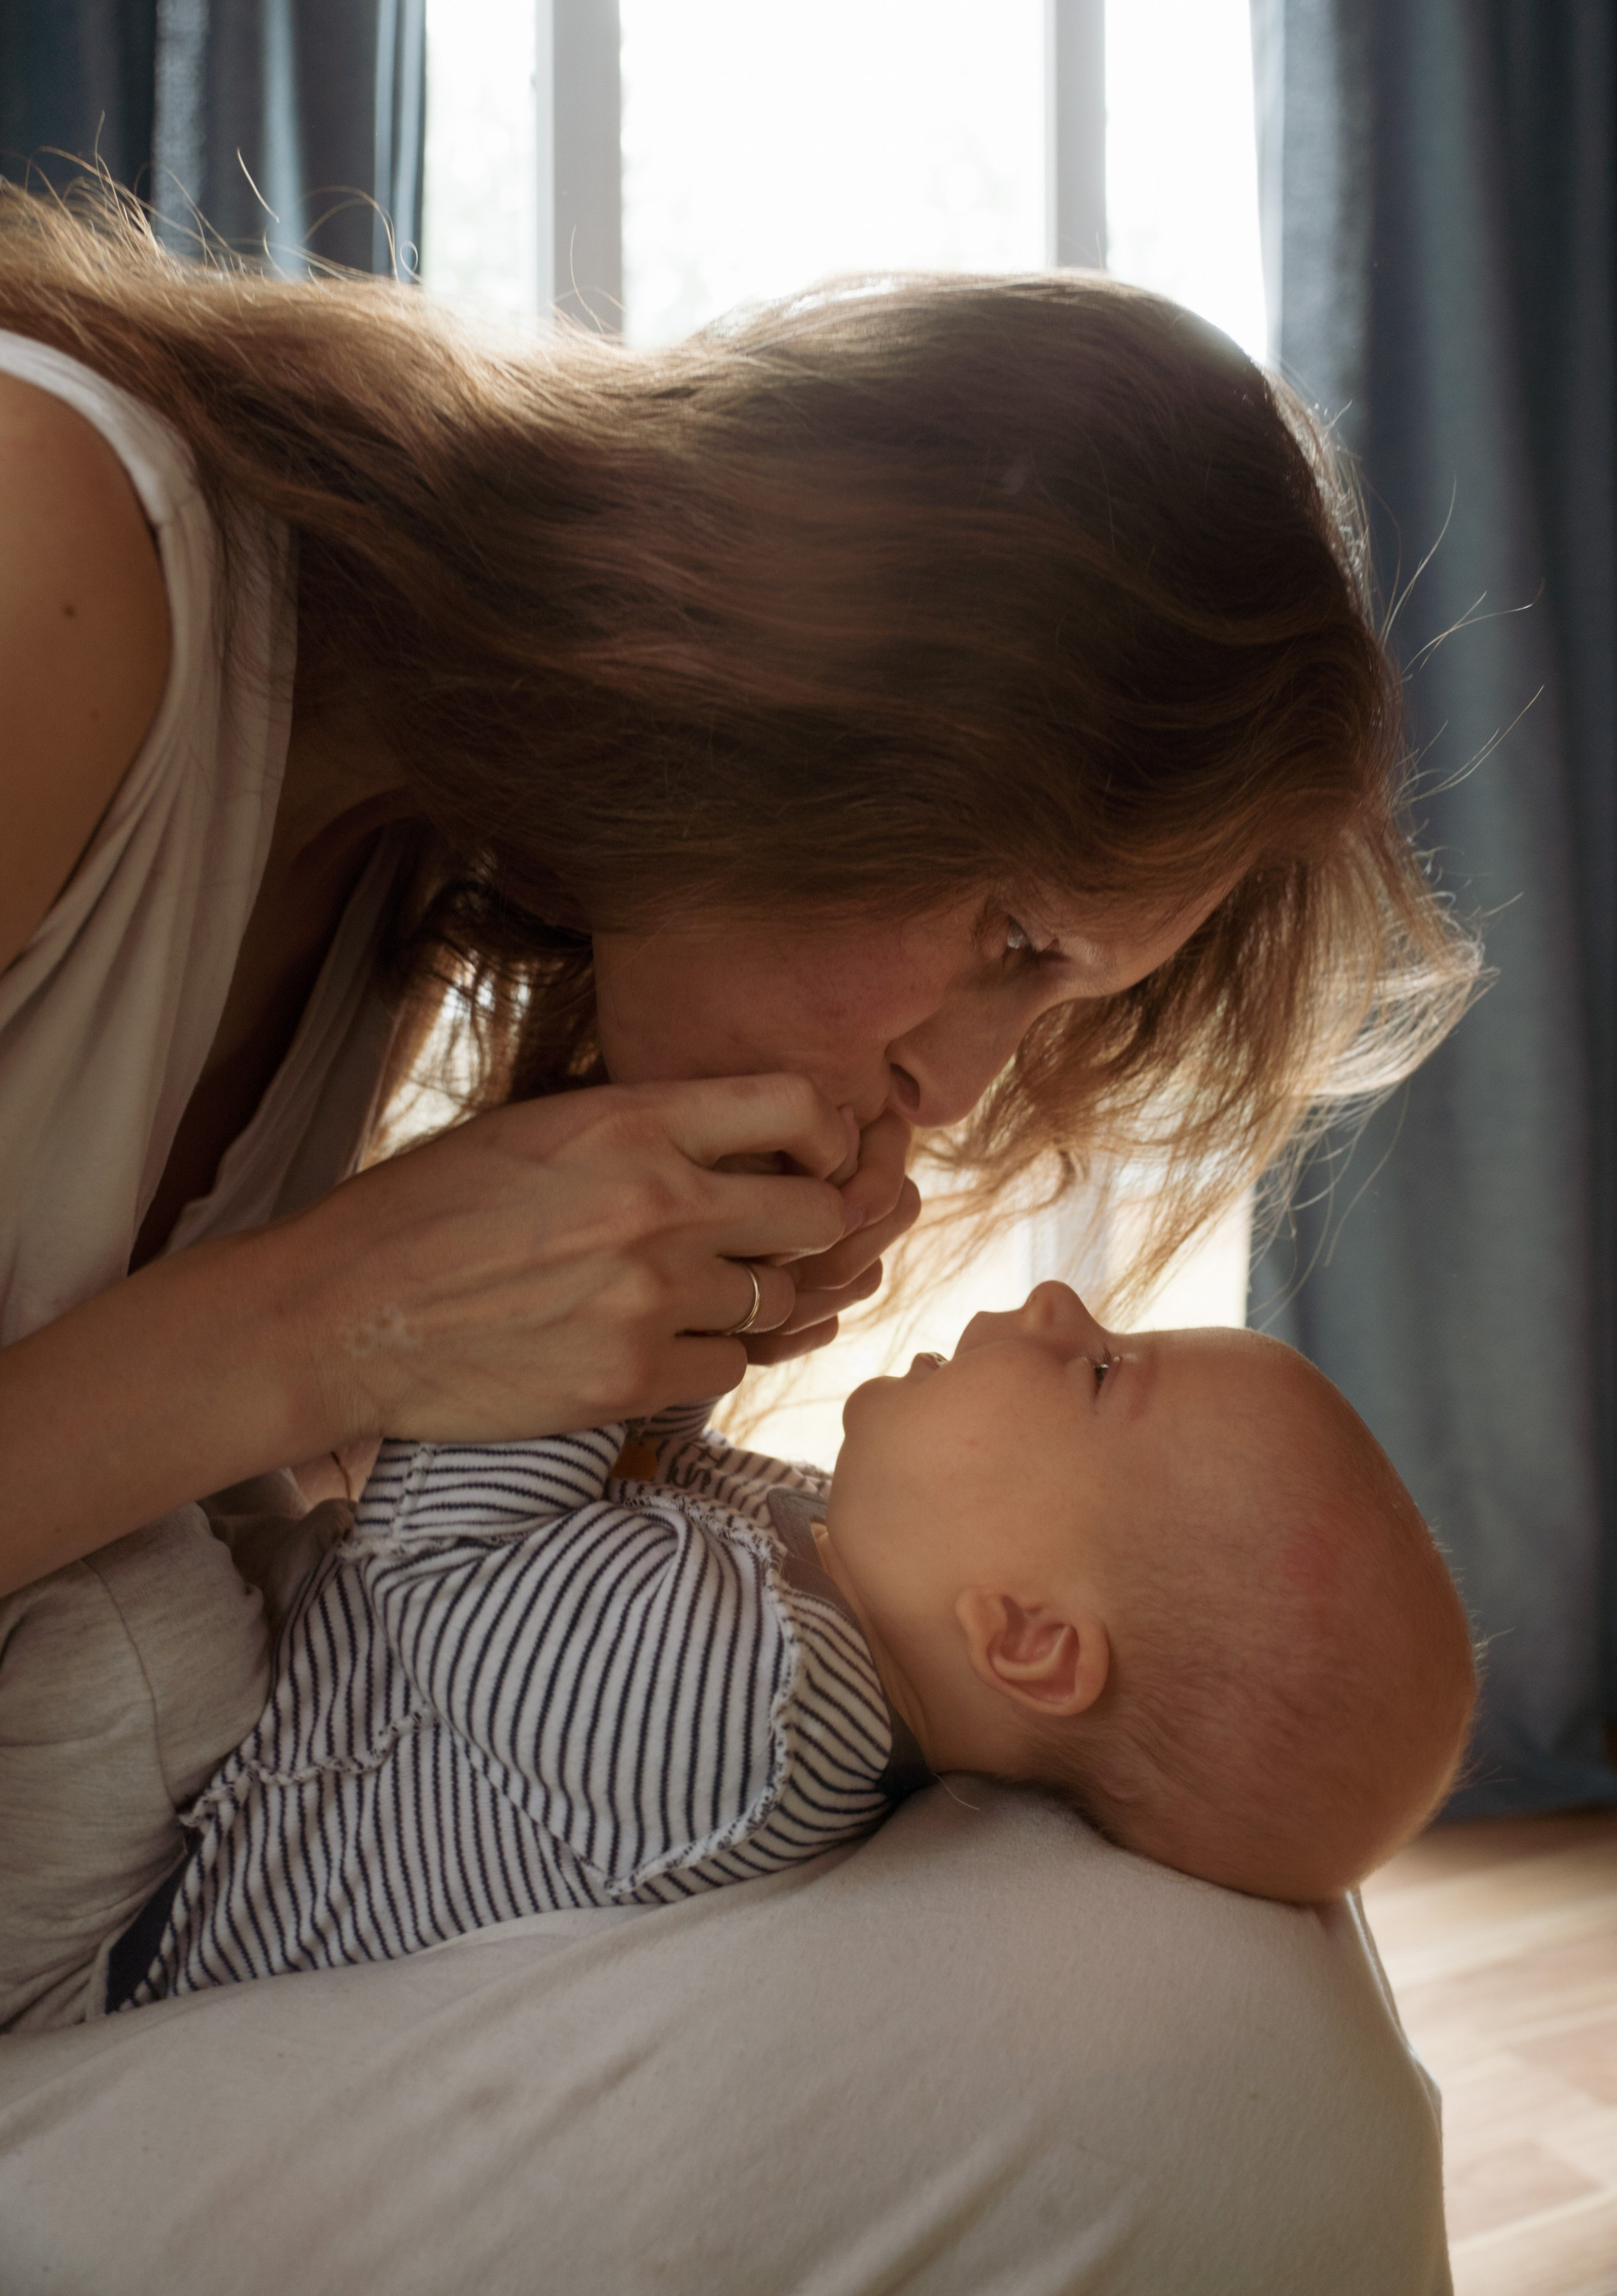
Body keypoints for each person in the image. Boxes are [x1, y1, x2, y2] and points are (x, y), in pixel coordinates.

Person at [0, 185, 1474, 2281]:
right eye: (1015, 938)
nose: (960, 1090)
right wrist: (336, 1319)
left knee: (1227, 1992)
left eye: (1049, 1003)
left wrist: (603, 1357)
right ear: (833, 673)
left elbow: (353, 1632)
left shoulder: (397, 853)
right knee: (1231, 2073)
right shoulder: (52, 540)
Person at [22, 1281, 1469, 2030]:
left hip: (137, 1897)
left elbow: (440, 1550)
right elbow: (631, 1478)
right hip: (258, 1708)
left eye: (1099, 1370)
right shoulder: (826, 1571)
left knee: (123, 1555)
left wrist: (624, 1281)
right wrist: (718, 1314)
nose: (1052, 1306)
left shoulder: (734, 1730)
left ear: (1024, 1639)